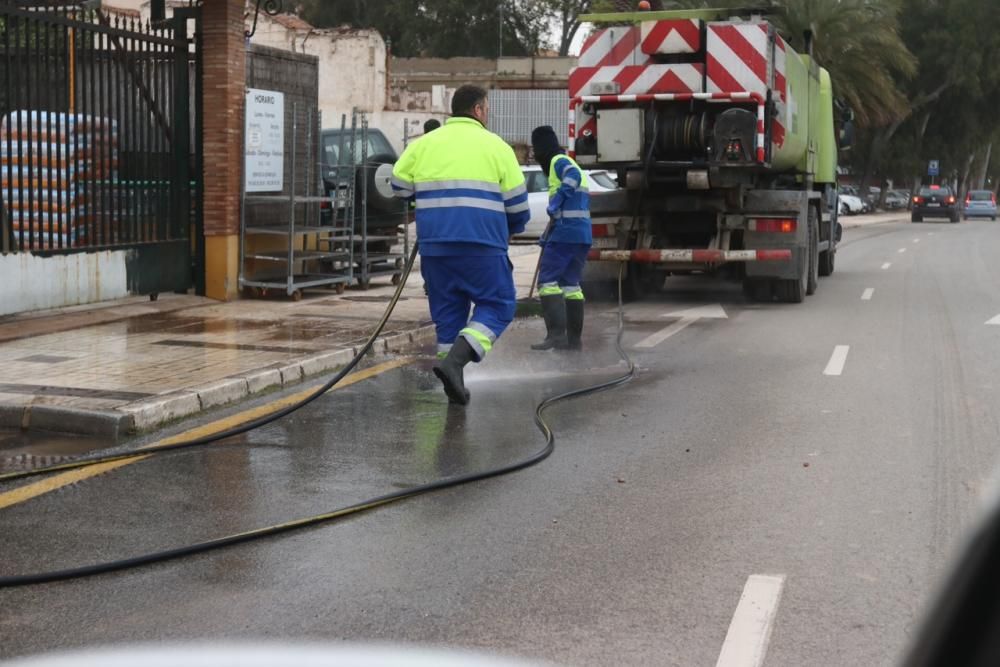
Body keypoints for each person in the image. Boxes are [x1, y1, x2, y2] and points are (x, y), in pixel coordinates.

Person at [391, 85, 530, 405]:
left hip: (436, 249)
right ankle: (454, 364)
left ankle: (454, 384)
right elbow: (518, 208)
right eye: (487, 109)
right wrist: (511, 229)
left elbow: (398, 185)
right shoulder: (497, 147)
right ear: (479, 110)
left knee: (448, 318)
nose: (488, 113)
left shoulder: (423, 144)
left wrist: (421, 195)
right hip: (482, 245)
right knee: (498, 305)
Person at [529, 125, 592, 351]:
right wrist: (548, 234)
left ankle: (555, 335)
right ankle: (573, 341)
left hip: (566, 234)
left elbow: (572, 178)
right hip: (580, 235)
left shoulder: (558, 161)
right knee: (570, 285)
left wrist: (556, 201)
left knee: (547, 282)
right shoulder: (570, 160)